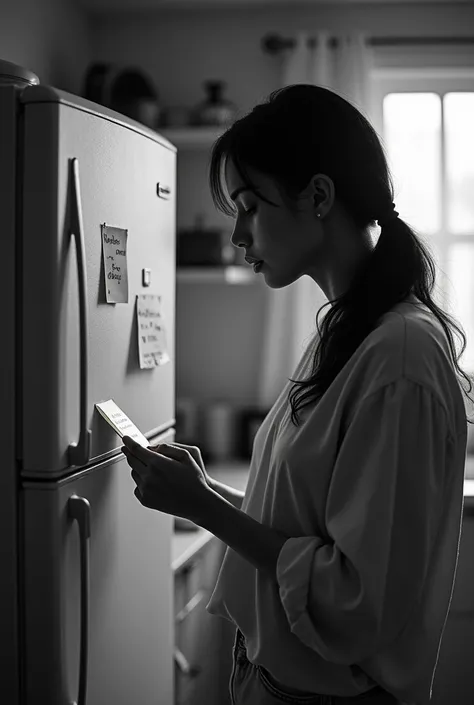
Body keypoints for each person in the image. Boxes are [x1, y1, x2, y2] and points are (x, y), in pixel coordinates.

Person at [122, 84, 473, 705]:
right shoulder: (346, 329)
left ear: (318, 196)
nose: (237, 234)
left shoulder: (398, 355)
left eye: (249, 205)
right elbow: (305, 523)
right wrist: (207, 494)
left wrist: (208, 512)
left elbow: (355, 597)